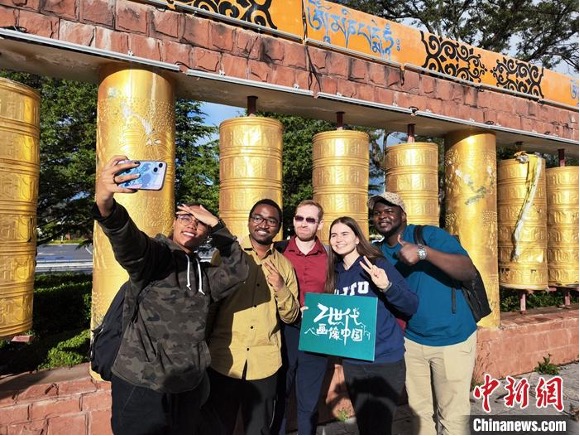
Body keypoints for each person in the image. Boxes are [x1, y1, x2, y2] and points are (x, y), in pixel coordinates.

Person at [93, 155, 249, 434]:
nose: (191, 224)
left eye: (199, 222)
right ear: (174, 224)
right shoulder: (156, 256)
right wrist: (105, 203)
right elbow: (128, 241)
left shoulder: (203, 274)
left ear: (205, 234)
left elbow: (238, 270)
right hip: (142, 382)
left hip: (188, 384)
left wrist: (218, 226)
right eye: (184, 217)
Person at [368, 191, 478, 435]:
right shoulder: (377, 254)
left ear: (403, 215)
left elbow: (467, 270)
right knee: (418, 415)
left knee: (453, 416)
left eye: (389, 211)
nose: (382, 216)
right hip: (411, 342)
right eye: (377, 213)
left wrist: (423, 252)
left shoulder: (430, 235)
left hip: (452, 339)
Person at [204, 198, 300, 434]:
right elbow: (212, 304)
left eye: (271, 220)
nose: (263, 224)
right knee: (217, 427)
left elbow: (291, 316)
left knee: (258, 429)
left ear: (278, 226)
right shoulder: (226, 256)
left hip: (264, 363)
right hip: (225, 357)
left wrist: (280, 287)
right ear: (249, 222)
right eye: (258, 217)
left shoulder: (285, 266)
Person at [325, 216, 418, 435]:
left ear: (357, 238)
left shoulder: (376, 264)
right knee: (365, 425)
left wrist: (386, 286)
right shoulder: (335, 275)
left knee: (380, 427)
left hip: (385, 360)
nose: (338, 240)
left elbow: (411, 305)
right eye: (334, 235)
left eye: (345, 234)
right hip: (353, 362)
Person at [271, 200, 329, 435]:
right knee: (279, 395)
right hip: (285, 329)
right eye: (299, 218)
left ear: (320, 224)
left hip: (317, 331)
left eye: (310, 219)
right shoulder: (278, 250)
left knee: (309, 400)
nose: (303, 224)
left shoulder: (330, 256)